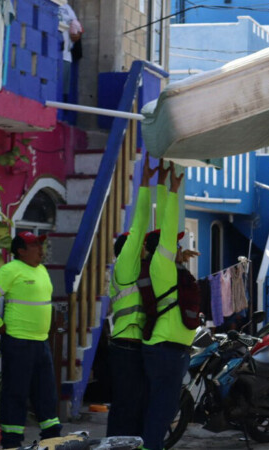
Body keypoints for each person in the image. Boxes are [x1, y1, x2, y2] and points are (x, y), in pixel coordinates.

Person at [0, 232, 61, 449]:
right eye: (35, 246)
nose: (40, 249)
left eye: (40, 245)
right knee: (16, 393)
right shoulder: (11, 269)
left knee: (46, 394)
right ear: (21, 251)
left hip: (41, 342)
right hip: (18, 342)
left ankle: (52, 438)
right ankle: (12, 443)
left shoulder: (42, 270)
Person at [105, 158, 161, 437]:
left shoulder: (138, 268)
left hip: (133, 346)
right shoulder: (126, 265)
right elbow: (139, 223)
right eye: (137, 244)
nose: (143, 247)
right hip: (126, 346)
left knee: (135, 405)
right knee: (127, 406)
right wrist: (145, 185)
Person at [141, 162, 190, 450]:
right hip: (167, 348)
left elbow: (159, 226)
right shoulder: (162, 262)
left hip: (164, 347)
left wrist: (159, 185)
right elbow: (167, 225)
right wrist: (172, 190)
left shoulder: (162, 266)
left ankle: (148, 445)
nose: (179, 248)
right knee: (163, 408)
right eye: (175, 244)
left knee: (159, 405)